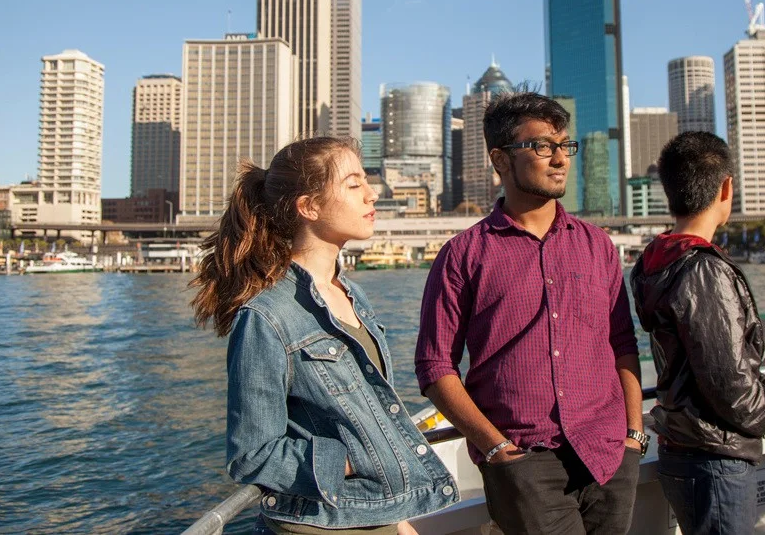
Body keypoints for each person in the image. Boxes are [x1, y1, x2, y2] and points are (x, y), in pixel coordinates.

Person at [191, 137, 459, 535]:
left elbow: (372, 409)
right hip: (319, 525)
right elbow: (251, 455)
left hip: (372, 514)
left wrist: (398, 520)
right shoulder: (267, 315)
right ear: (309, 206)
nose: (372, 195)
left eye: (366, 182)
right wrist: (352, 459)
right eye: (354, 185)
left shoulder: (351, 294)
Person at [415, 93, 644, 535]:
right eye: (542, 146)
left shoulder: (597, 245)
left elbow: (622, 344)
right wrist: (495, 447)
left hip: (609, 454)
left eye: (564, 145)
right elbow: (434, 366)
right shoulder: (462, 255)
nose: (560, 159)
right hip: (524, 463)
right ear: (501, 160)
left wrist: (633, 436)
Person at [629, 132, 765, 535]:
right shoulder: (703, 270)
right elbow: (730, 385)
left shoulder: (653, 262)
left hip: (684, 448)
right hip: (715, 456)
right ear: (727, 188)